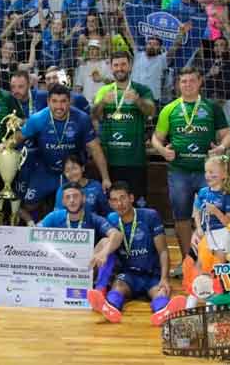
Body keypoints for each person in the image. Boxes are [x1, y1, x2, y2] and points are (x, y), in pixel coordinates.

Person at [151, 67, 230, 276]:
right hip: (179, 171)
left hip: (209, 174)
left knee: (212, 216)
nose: (187, 84)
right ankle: (188, 262)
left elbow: (227, 135)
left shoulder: (212, 108)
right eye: (183, 81)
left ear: (200, 82)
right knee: (181, 217)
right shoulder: (169, 109)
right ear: (178, 84)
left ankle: (211, 261)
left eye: (191, 81)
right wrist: (161, 151)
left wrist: (221, 148)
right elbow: (156, 138)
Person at [87, 182, 186, 326]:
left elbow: (163, 251)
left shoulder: (150, 216)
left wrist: (165, 278)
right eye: (114, 200)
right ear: (110, 203)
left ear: (131, 198)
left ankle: (162, 311)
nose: (119, 203)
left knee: (160, 292)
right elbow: (109, 243)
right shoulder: (112, 219)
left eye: (123, 198)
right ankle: (110, 307)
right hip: (128, 275)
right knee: (117, 287)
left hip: (151, 273)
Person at [11, 84, 111, 225]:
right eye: (55, 101)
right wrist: (3, 147)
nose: (59, 106)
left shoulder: (81, 118)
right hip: (45, 171)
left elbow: (95, 148)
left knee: (75, 205)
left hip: (71, 173)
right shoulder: (38, 119)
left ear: (70, 101)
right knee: (29, 204)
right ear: (48, 102)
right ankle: (32, 226)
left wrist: (105, 178)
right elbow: (19, 137)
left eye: (63, 101)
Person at [93, 51, 156, 205]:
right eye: (116, 65)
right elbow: (94, 115)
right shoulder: (104, 90)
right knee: (112, 206)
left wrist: (137, 101)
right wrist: (102, 103)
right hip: (110, 161)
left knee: (137, 205)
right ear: (111, 68)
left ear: (130, 66)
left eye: (123, 64)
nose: (119, 68)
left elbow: (151, 112)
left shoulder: (141, 90)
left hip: (135, 161)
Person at [39, 182, 121, 265]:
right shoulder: (54, 216)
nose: (71, 200)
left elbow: (117, 235)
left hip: (86, 267)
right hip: (59, 266)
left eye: (75, 196)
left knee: (106, 242)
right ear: (63, 202)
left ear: (84, 198)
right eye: (67, 197)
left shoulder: (93, 218)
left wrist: (103, 253)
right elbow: (34, 232)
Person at [190, 156, 230, 284]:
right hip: (206, 233)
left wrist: (216, 211)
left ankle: (216, 293)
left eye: (211, 172)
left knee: (218, 267)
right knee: (200, 264)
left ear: (224, 175)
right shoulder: (203, 192)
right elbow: (197, 211)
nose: (207, 175)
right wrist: (198, 228)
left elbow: (229, 222)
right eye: (206, 171)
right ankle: (197, 294)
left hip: (222, 233)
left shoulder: (227, 195)